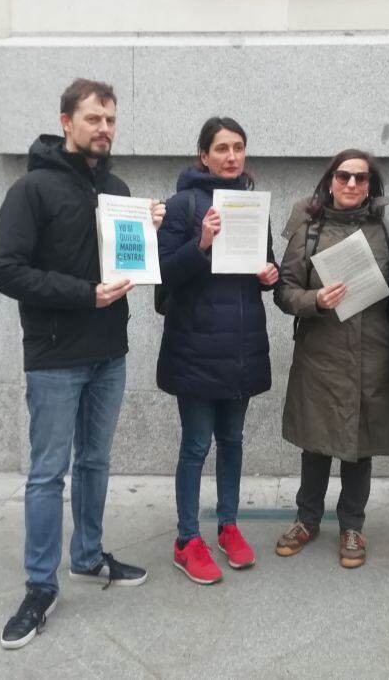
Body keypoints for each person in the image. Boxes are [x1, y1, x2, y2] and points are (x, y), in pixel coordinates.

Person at [0, 78, 164, 649]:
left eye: (110, 120)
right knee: (47, 474)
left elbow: (123, 262)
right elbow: (6, 271)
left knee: (95, 462)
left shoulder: (117, 187)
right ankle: (40, 585)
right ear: (66, 121)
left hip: (109, 352)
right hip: (56, 355)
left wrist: (146, 232)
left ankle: (87, 556)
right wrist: (83, 293)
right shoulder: (32, 189)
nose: (104, 129)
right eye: (93, 119)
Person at [156, 116, 279, 585]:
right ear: (203, 155)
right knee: (195, 445)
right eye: (222, 148)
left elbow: (259, 268)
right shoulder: (181, 204)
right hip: (194, 347)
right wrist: (201, 243)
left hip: (242, 346)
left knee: (232, 442)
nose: (231, 156)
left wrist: (271, 276)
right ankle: (187, 539)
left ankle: (228, 526)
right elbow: (163, 273)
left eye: (239, 148)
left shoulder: (251, 205)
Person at [272, 150, 389, 569]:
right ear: (330, 180)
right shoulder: (307, 229)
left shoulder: (388, 231)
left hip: (371, 354)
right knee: (316, 441)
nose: (351, 184)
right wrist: (315, 300)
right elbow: (284, 290)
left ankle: (351, 525)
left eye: (360, 179)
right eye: (343, 176)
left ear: (370, 186)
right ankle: (306, 519)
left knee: (360, 446)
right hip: (320, 354)